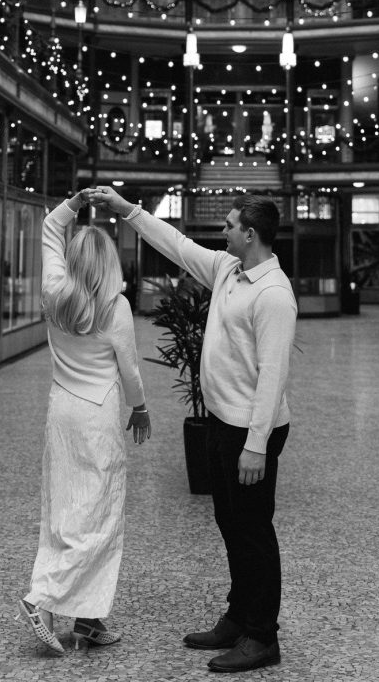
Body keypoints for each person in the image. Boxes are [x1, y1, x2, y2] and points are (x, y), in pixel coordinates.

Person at [88, 185, 296, 674]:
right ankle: (239, 616)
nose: (222, 230)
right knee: (230, 523)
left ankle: (262, 636)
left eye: (230, 225)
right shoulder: (228, 268)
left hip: (252, 431)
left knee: (253, 532)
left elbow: (273, 376)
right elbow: (177, 245)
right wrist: (127, 210)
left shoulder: (273, 294)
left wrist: (256, 446)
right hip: (223, 422)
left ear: (250, 233)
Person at [17, 188, 151, 656]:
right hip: (97, 418)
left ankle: (89, 619)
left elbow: (49, 229)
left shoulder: (56, 289)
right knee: (99, 518)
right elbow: (129, 369)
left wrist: (73, 203)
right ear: (109, 263)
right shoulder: (115, 306)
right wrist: (140, 407)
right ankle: (41, 599)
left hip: (61, 412)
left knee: (63, 511)